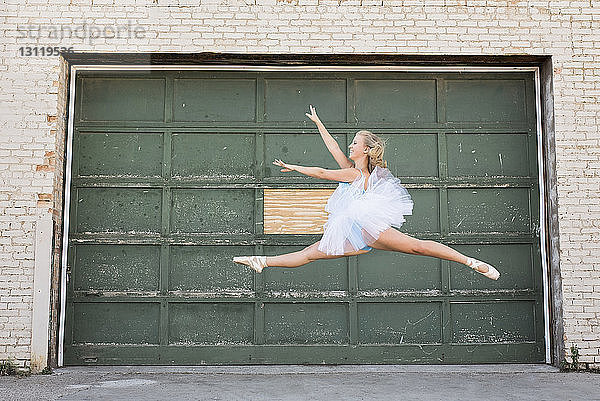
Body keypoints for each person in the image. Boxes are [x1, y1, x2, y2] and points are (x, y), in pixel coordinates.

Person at [233, 105, 500, 280]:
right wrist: (319, 124)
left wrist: (295, 167)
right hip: (357, 235)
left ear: (365, 150)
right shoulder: (354, 169)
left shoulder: (356, 174)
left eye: (355, 143)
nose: (350, 146)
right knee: (311, 254)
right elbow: (334, 149)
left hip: (367, 230)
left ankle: (470, 261)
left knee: (417, 247)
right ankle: (261, 261)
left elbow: (324, 173)